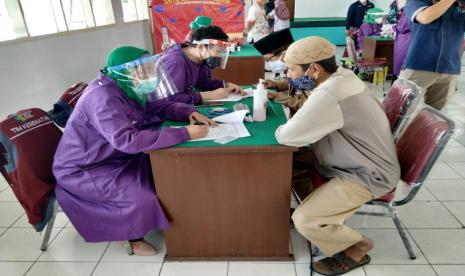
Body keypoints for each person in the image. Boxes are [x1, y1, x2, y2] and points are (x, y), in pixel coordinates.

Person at [53, 46, 216, 256]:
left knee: (166, 169)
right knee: (141, 196)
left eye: (150, 69)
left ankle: (171, 211)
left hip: (114, 156)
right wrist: (184, 133)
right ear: (124, 71)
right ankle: (131, 237)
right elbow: (127, 140)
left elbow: (157, 106)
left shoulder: (127, 86)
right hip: (85, 168)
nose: (150, 75)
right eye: (143, 70)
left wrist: (188, 112)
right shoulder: (103, 97)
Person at [275, 37, 400, 275]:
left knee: (305, 220)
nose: (288, 75)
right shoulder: (340, 75)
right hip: (349, 158)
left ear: (314, 69)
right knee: (286, 164)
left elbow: (287, 136)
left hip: (368, 173)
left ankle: (357, 245)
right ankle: (317, 202)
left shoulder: (331, 92)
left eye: (291, 69)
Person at [401, 0, 465, 110]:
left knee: (435, 114)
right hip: (420, 67)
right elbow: (425, 17)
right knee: (401, 111)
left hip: (449, 68)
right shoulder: (416, 2)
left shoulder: (458, 6)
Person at [161, 26, 243, 105]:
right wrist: (207, 96)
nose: (220, 56)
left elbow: (202, 82)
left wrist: (224, 85)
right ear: (200, 47)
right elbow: (169, 98)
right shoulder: (176, 62)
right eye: (218, 51)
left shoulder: (199, 58)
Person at [253, 28, 314, 115]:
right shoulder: (297, 65)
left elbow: (306, 105)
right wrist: (278, 84)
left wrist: (280, 97)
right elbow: (298, 81)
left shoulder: (309, 69)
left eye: (269, 59)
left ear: (284, 53)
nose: (269, 63)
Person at [393, 0, 410, 81]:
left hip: (406, 40)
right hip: (405, 39)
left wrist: (395, 27)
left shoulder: (410, 8)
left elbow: (402, 27)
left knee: (402, 73)